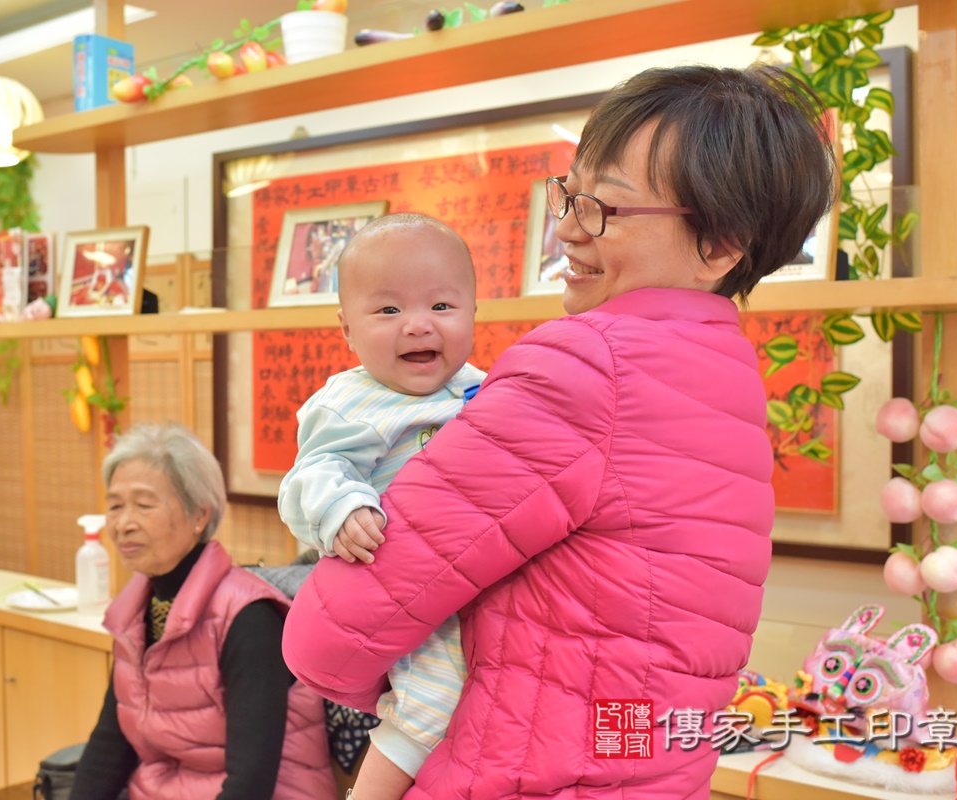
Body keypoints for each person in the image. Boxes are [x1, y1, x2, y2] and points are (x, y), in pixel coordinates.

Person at [282, 63, 835, 799]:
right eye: (569, 194)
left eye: (603, 207)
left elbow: (334, 632)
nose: (568, 229)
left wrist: (411, 687)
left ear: (721, 244)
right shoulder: (727, 373)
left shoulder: (585, 364)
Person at [278, 213, 486, 800]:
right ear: (346, 327)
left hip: (479, 574)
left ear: (475, 311)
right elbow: (310, 477)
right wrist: (343, 510)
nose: (418, 326)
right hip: (408, 586)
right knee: (435, 696)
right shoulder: (352, 403)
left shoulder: (484, 389)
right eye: (389, 311)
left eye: (442, 307)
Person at [70, 423, 336, 800]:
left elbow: (251, 782)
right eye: (115, 505)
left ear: (199, 515)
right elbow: (109, 749)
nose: (123, 523)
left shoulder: (249, 617)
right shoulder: (133, 612)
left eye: (144, 505)